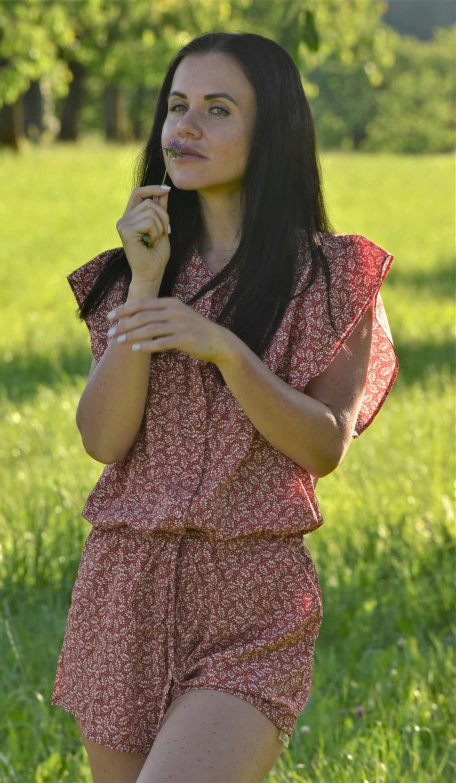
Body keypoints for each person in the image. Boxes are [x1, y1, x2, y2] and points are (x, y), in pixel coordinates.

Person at [51, 31, 399, 783]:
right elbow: (104, 439)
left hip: (250, 602)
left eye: (216, 109)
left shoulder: (332, 277)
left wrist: (225, 349)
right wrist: (145, 287)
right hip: (124, 592)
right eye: (177, 106)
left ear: (270, 129)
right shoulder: (133, 269)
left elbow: (325, 445)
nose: (186, 127)